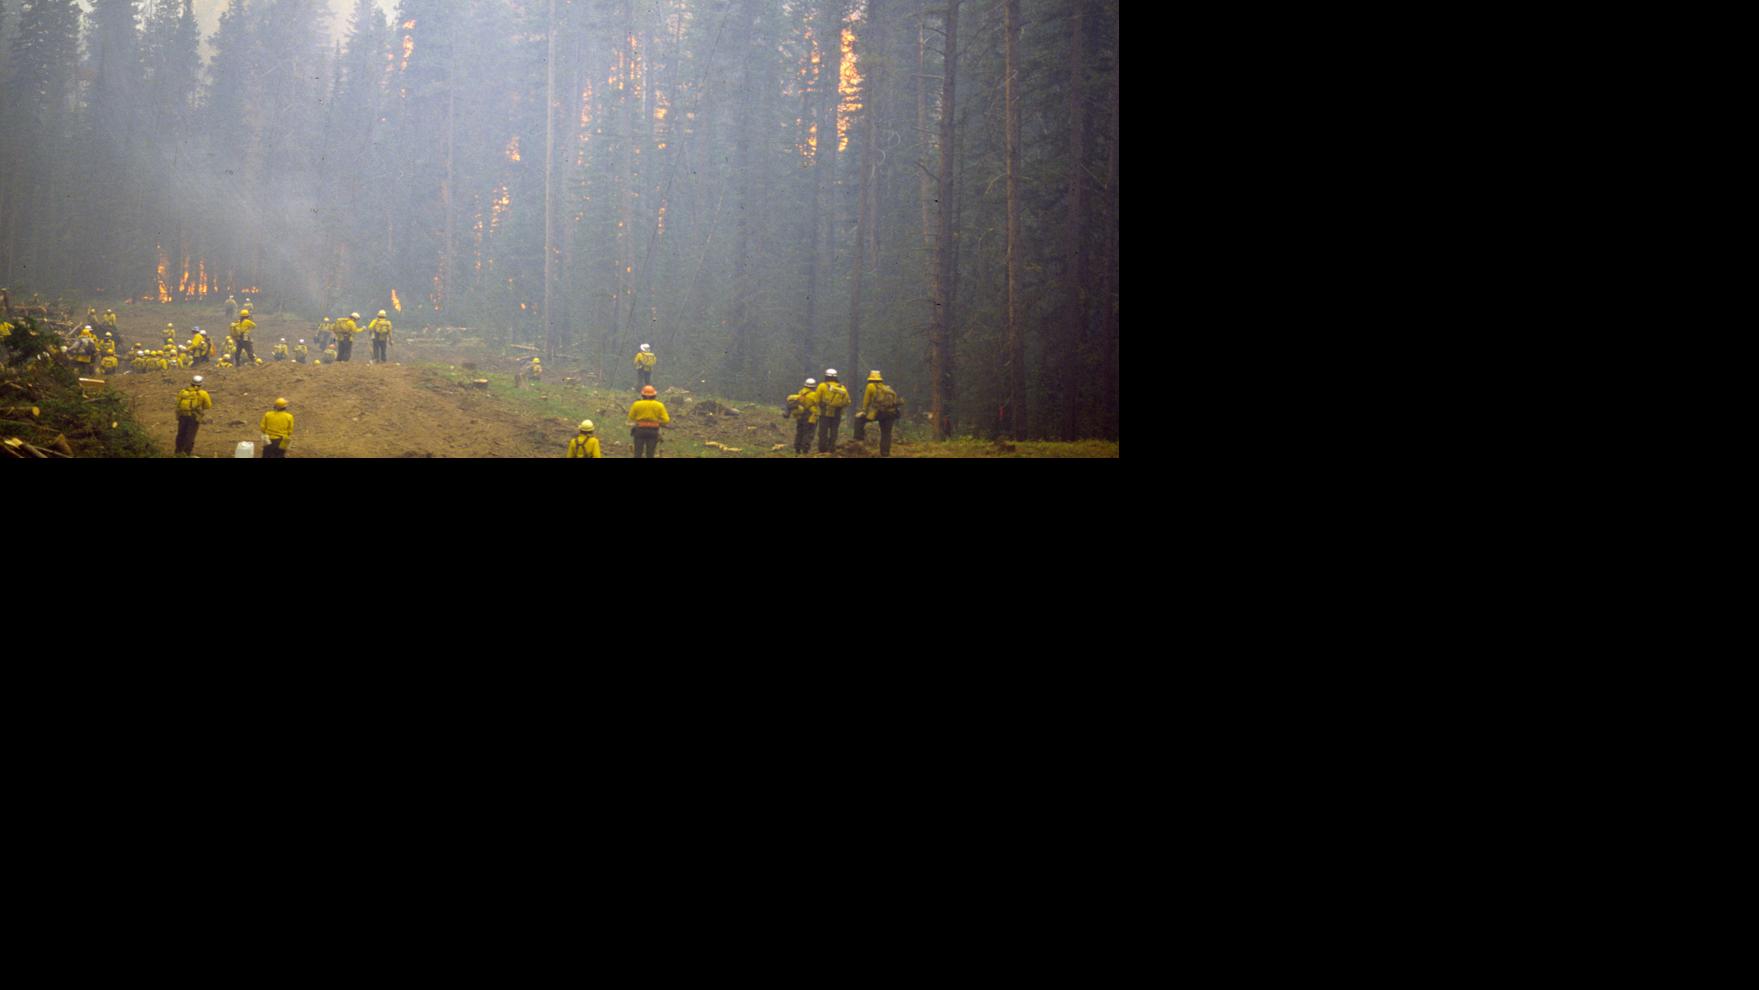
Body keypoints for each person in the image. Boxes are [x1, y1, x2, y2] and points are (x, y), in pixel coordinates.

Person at [859, 370, 905, 458]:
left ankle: (858, 438)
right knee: (886, 433)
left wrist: (864, 411)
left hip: (880, 412)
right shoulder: (886, 387)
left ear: (870, 378)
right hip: (891, 413)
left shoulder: (870, 386)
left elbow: (866, 400)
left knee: (859, 419)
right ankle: (885, 453)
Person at [627, 385, 670, 458]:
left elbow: (631, 417)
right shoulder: (659, 405)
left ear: (642, 395)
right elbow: (666, 420)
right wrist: (658, 422)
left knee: (638, 453)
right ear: (654, 395)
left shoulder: (636, 404)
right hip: (653, 431)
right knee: (650, 454)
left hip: (639, 430)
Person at [815, 369, 852, 453]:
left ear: (826, 376)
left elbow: (816, 400)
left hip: (824, 413)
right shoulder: (842, 387)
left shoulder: (822, 386)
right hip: (837, 413)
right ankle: (832, 448)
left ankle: (822, 449)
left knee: (823, 431)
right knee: (834, 431)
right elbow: (848, 401)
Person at [174, 375, 212, 456]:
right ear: (201, 384)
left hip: (182, 416)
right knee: (190, 435)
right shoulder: (203, 393)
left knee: (181, 434)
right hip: (194, 417)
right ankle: (186, 453)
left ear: (191, 383)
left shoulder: (183, 392)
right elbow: (208, 406)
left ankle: (178, 452)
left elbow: (177, 403)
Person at [787, 378, 818, 455]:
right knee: (808, 433)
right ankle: (805, 450)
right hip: (809, 416)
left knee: (799, 432)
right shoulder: (814, 395)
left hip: (800, 415)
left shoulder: (801, 393)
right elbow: (818, 404)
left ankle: (797, 449)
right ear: (814, 386)